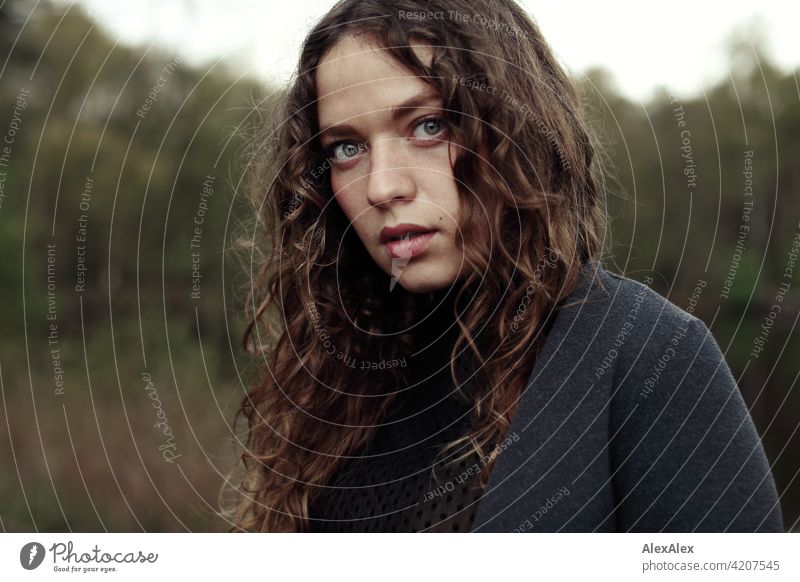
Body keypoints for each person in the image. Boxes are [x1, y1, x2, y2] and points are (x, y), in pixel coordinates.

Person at [222, 0, 783, 533]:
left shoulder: (646, 357)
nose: (382, 185)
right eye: (346, 148)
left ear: (514, 129)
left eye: (428, 125)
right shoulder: (336, 383)